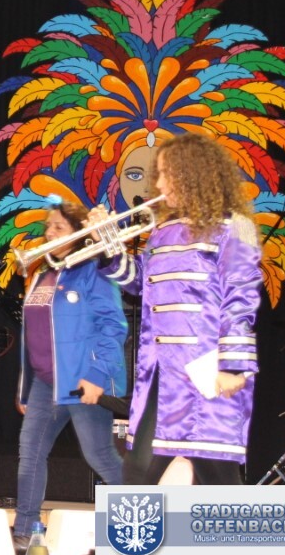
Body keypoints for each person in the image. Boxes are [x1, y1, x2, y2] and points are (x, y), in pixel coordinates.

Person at [94, 132, 261, 485]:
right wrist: (107, 245)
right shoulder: (163, 231)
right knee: (138, 469)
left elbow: (242, 300)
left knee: (217, 474)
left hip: (206, 369)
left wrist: (233, 366)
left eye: (166, 174)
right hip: (162, 372)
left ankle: (237, 524)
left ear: (192, 173)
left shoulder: (238, 228)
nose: (158, 183)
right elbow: (141, 284)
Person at [12, 199, 128, 554]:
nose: (49, 233)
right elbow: (33, 336)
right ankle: (25, 530)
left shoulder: (94, 271)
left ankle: (146, 517)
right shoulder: (42, 273)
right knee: (30, 453)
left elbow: (114, 327)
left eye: (59, 227)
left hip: (82, 382)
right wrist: (25, 389)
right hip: (45, 382)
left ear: (79, 234)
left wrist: (96, 375)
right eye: (48, 227)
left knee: (99, 456)